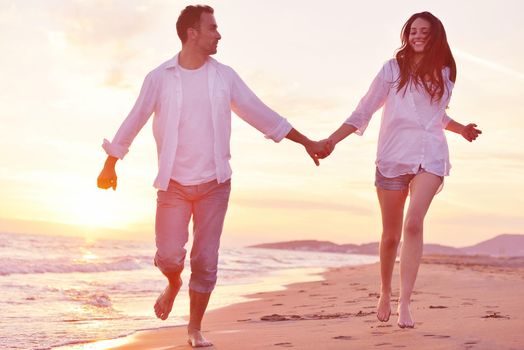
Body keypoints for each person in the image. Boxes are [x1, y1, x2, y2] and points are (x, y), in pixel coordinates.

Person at [97, 5, 328, 347]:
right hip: (173, 185)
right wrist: (111, 161)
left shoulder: (224, 77)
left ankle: (194, 328)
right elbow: (136, 117)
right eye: (212, 28)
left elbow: (260, 113)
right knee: (170, 256)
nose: (218, 34)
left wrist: (305, 141)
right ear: (193, 33)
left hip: (214, 185)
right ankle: (173, 282)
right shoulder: (159, 77)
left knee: (205, 260)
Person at [322, 12, 481, 328]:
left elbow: (435, 116)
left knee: (413, 224)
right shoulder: (391, 69)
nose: (418, 35)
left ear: (435, 36)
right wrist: (331, 140)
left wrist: (461, 128)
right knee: (391, 235)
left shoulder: (445, 72)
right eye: (413, 31)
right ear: (406, 35)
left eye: (424, 31)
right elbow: (363, 110)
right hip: (393, 157)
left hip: (430, 157)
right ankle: (384, 290)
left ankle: (405, 302)